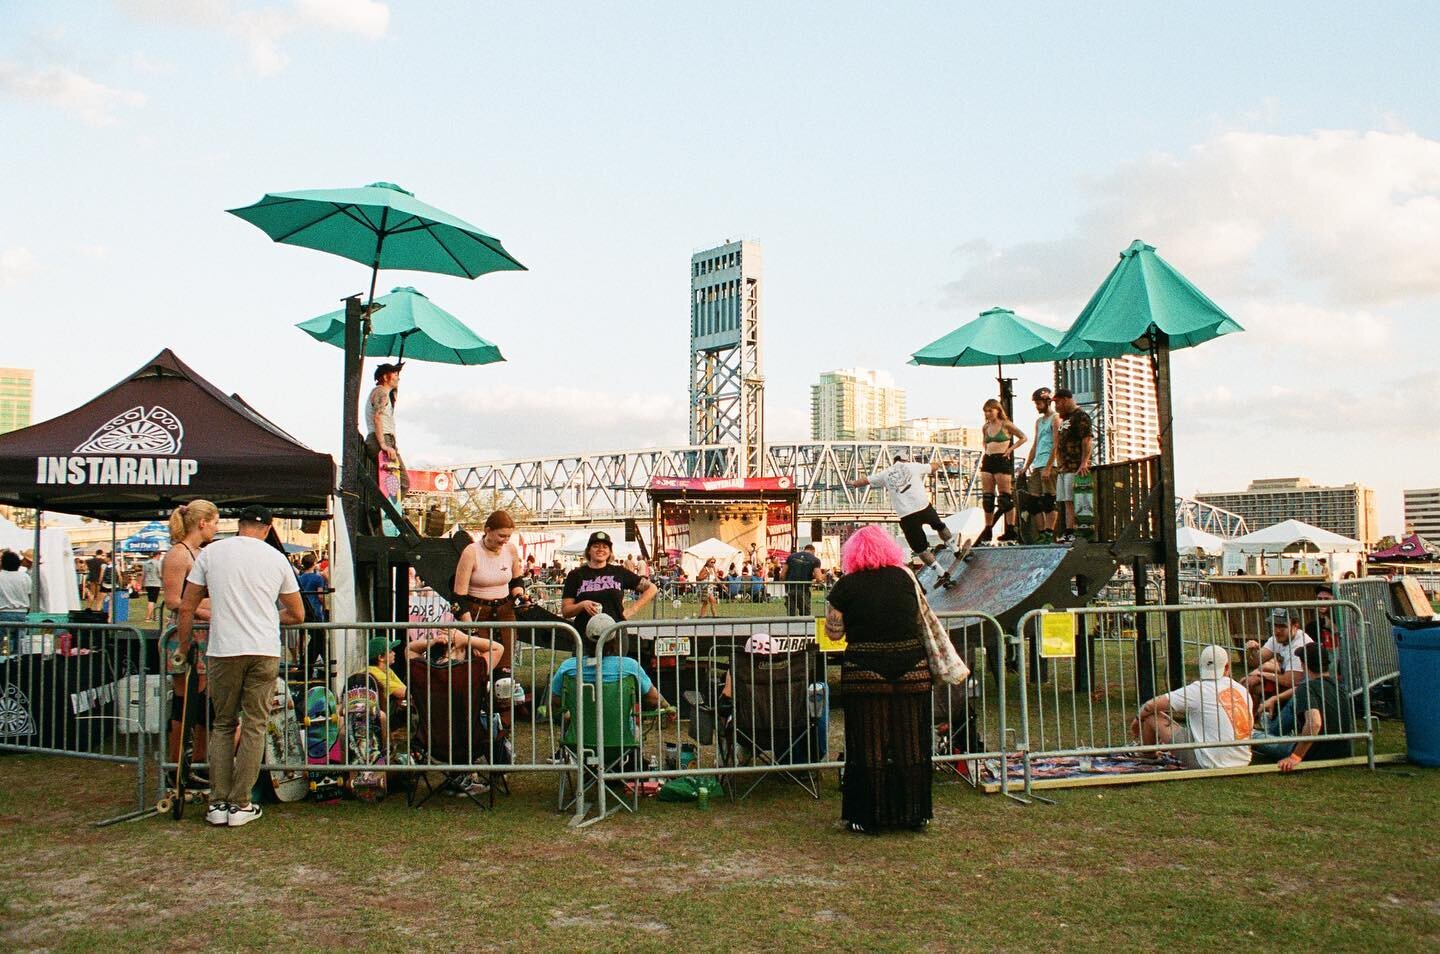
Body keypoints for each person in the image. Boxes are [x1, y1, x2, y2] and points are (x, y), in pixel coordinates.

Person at [175, 504, 303, 828]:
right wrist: (269, 617)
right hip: (262, 649)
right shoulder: (276, 558)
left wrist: (183, 645)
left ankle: (217, 802)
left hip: (223, 650)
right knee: (254, 725)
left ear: (238, 524)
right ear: (267, 528)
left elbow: (186, 605)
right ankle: (241, 803)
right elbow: (298, 613)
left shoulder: (211, 553)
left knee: (222, 724)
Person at [824, 526, 934, 834]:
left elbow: (834, 633)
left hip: (865, 669)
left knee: (867, 744)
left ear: (852, 554)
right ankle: (914, 812)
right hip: (912, 665)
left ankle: (867, 816)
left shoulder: (846, 585)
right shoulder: (906, 579)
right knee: (911, 743)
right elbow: (918, 619)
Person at [162, 499, 220, 782]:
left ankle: (199, 759)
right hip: (185, 633)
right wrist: (201, 611)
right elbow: (173, 599)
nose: (217, 528)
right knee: (184, 703)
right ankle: (175, 765)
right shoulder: (177, 555)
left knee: (203, 702)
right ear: (202, 522)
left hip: (205, 633)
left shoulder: (201, 553)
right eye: (216, 522)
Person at [1130, 645, 1253, 769]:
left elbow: (1152, 704)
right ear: (1227, 667)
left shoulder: (1198, 689)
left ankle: (1148, 754)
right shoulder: (1242, 690)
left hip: (1209, 763)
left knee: (1150, 714)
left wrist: (1137, 720)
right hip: (1243, 760)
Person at [847, 456, 959, 585]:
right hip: (923, 507)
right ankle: (956, 550)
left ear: (894, 461)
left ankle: (941, 573)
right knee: (939, 526)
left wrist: (854, 483)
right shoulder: (913, 466)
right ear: (905, 460)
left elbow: (865, 481)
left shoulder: (885, 473)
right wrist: (939, 464)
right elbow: (933, 467)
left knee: (921, 549)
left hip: (907, 515)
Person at [1253, 644, 1355, 767]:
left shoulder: (1306, 688)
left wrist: (1295, 757)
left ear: (1304, 665)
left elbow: (1315, 723)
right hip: (1341, 751)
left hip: (1313, 753)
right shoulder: (1340, 687)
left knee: (1252, 735)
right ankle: (1278, 733)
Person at [451, 510, 527, 673]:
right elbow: (458, 598)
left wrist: (520, 597)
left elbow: (516, 581)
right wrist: (472, 631)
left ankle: (504, 697)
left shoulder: (511, 549)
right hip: (477, 614)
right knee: (480, 667)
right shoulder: (471, 552)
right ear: (488, 531)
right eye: (501, 536)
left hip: (505, 613)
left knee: (505, 668)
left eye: (508, 536)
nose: (505, 541)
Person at [562, 531, 658, 640]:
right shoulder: (575, 575)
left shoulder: (619, 572)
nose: (600, 549)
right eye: (596, 546)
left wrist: (632, 610)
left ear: (610, 552)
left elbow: (652, 588)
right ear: (589, 550)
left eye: (605, 547)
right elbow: (566, 611)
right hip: (585, 636)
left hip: (616, 634)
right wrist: (582, 605)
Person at [1045, 387, 1092, 543]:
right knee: (1065, 501)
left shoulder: (1081, 416)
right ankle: (1068, 530)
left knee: (1075, 499)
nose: (1056, 407)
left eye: (1057, 403)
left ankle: (1078, 531)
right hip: (1063, 467)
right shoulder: (1065, 419)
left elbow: (1087, 439)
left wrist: (1084, 462)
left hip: (1075, 465)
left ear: (1064, 400)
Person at [977, 398, 1026, 543]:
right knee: (988, 498)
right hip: (988, 459)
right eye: (985, 411)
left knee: (1005, 497)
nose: (988, 414)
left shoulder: (1006, 424)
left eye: (990, 411)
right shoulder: (985, 427)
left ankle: (1010, 530)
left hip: (1001, 459)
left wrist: (1010, 449)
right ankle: (988, 529)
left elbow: (1023, 437)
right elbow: (985, 442)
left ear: (997, 410)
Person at [1243, 608, 1314, 709]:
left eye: (1282, 626)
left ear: (1295, 626)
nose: (1277, 631)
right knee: (1249, 680)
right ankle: (1253, 719)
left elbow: (1290, 681)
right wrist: (1252, 651)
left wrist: (1262, 674)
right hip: (1290, 682)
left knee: (1253, 683)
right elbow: (1256, 661)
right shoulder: (1278, 638)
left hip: (1304, 690)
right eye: (1274, 625)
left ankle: (1256, 718)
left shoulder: (1300, 645)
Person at [1020, 387, 1059, 542]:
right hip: (1038, 464)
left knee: (1049, 501)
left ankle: (1049, 533)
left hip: (1050, 464)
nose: (1037, 406)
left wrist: (1049, 467)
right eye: (1036, 403)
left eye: (1039, 403)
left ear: (1047, 402)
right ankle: (1042, 533)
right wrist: (1026, 466)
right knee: (1033, 503)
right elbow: (1035, 445)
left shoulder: (1056, 419)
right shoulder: (1038, 421)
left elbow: (1056, 444)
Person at [365, 362, 406, 504]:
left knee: (390, 485)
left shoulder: (384, 393)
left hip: (383, 439)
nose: (398, 378)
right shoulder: (381, 392)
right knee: (401, 483)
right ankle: (382, 512)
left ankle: (381, 510)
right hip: (382, 439)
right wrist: (383, 444)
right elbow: (377, 417)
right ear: (385, 376)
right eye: (395, 374)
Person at [783, 543, 824, 616]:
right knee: (805, 614)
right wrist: (823, 577)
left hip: (790, 588)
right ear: (813, 551)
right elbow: (819, 578)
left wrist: (786, 585)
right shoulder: (815, 560)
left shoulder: (791, 557)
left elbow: (782, 575)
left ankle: (791, 626)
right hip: (803, 589)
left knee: (791, 614)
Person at [296, 553, 328, 623]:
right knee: (318, 631)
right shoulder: (318, 578)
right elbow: (320, 596)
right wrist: (324, 605)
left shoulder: (299, 578)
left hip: (303, 608)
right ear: (314, 563)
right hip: (315, 608)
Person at [142, 552, 164, 622]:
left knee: (151, 600)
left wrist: (142, 583)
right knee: (152, 601)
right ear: (157, 555)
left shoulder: (145, 563)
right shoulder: (158, 563)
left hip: (148, 583)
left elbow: (143, 574)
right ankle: (148, 617)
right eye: (160, 556)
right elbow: (160, 574)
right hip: (155, 583)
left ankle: (153, 616)